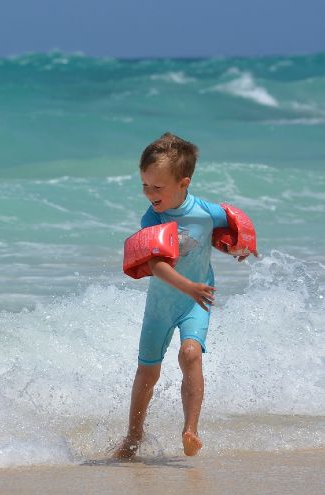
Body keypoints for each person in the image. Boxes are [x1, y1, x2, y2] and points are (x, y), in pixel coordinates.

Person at [114, 133, 256, 459]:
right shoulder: (153, 218)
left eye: (157, 187)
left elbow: (226, 234)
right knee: (147, 371)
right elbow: (155, 264)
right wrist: (188, 287)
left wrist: (240, 247)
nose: (150, 194)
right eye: (145, 186)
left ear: (183, 182)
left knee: (191, 354)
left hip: (196, 300)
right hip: (163, 303)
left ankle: (190, 429)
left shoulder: (208, 213)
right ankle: (133, 437)